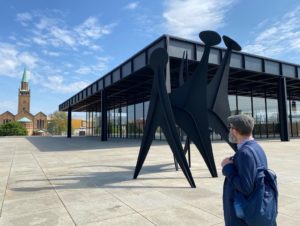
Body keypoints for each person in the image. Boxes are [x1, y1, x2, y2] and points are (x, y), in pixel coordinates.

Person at [221, 114, 276, 226]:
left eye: (231, 128)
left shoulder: (245, 153)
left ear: (235, 131)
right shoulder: (256, 147)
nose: (230, 131)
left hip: (242, 217)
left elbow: (245, 187)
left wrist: (227, 167)